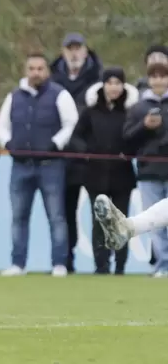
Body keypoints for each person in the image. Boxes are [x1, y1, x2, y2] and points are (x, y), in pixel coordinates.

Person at [0, 53, 78, 277]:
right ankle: (18, 263)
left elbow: (71, 122)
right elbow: (2, 125)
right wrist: (8, 143)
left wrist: (56, 143)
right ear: (26, 70)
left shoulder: (59, 94)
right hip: (20, 166)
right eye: (32, 68)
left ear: (47, 71)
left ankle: (59, 264)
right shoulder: (14, 96)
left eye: (40, 68)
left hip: (51, 164)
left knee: (57, 216)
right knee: (19, 216)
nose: (36, 72)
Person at [96, 61, 168, 277]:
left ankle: (128, 228)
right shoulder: (139, 108)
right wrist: (145, 127)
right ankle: (128, 228)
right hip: (149, 168)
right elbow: (128, 138)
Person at [68, 68, 138, 274]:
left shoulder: (130, 112)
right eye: (110, 82)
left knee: (122, 222)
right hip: (95, 177)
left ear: (123, 86)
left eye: (118, 83)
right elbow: (75, 138)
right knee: (99, 223)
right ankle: (101, 266)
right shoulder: (90, 112)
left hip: (122, 178)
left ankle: (120, 266)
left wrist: (129, 153)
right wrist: (87, 152)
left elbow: (135, 140)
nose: (114, 87)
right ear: (103, 85)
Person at [50, 33, 102, 272]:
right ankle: (66, 261)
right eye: (69, 48)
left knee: (99, 212)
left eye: (78, 48)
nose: (73, 53)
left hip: (93, 158)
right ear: (63, 52)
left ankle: (103, 264)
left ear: (85, 51)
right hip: (63, 157)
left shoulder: (99, 78)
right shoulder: (51, 78)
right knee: (65, 213)